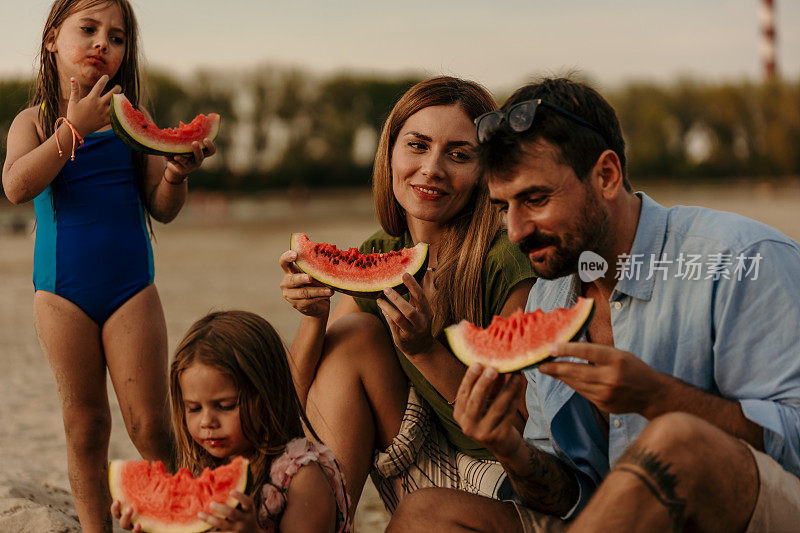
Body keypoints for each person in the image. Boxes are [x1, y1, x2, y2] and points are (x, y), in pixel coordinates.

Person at [387, 77, 800, 532]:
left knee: (676, 440)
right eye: (504, 207)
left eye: (535, 199)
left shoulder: (741, 259)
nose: (516, 231)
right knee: (425, 515)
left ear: (606, 175)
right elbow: (568, 496)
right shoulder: (549, 297)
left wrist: (658, 397)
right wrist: (510, 449)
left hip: (750, 515)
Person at [1, 1, 215, 531]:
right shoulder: (33, 121)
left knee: (151, 426)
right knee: (85, 424)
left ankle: (178, 517)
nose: (103, 44)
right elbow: (16, 186)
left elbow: (160, 209)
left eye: (117, 38)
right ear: (52, 39)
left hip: (130, 291)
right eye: (89, 29)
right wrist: (71, 130)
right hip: (60, 295)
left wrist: (174, 174)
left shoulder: (131, 123)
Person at [279, 76, 537, 515]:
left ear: (485, 172)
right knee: (353, 336)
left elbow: (516, 430)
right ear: (390, 153)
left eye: (459, 155)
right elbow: (293, 404)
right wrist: (314, 315)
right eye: (417, 145)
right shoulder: (381, 249)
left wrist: (423, 350)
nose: (432, 168)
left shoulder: (506, 263)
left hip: (498, 481)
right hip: (422, 461)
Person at [111, 310, 351, 533]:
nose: (207, 422)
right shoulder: (199, 468)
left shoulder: (300, 477)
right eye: (193, 408)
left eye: (224, 406)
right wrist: (155, 523)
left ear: (267, 396)